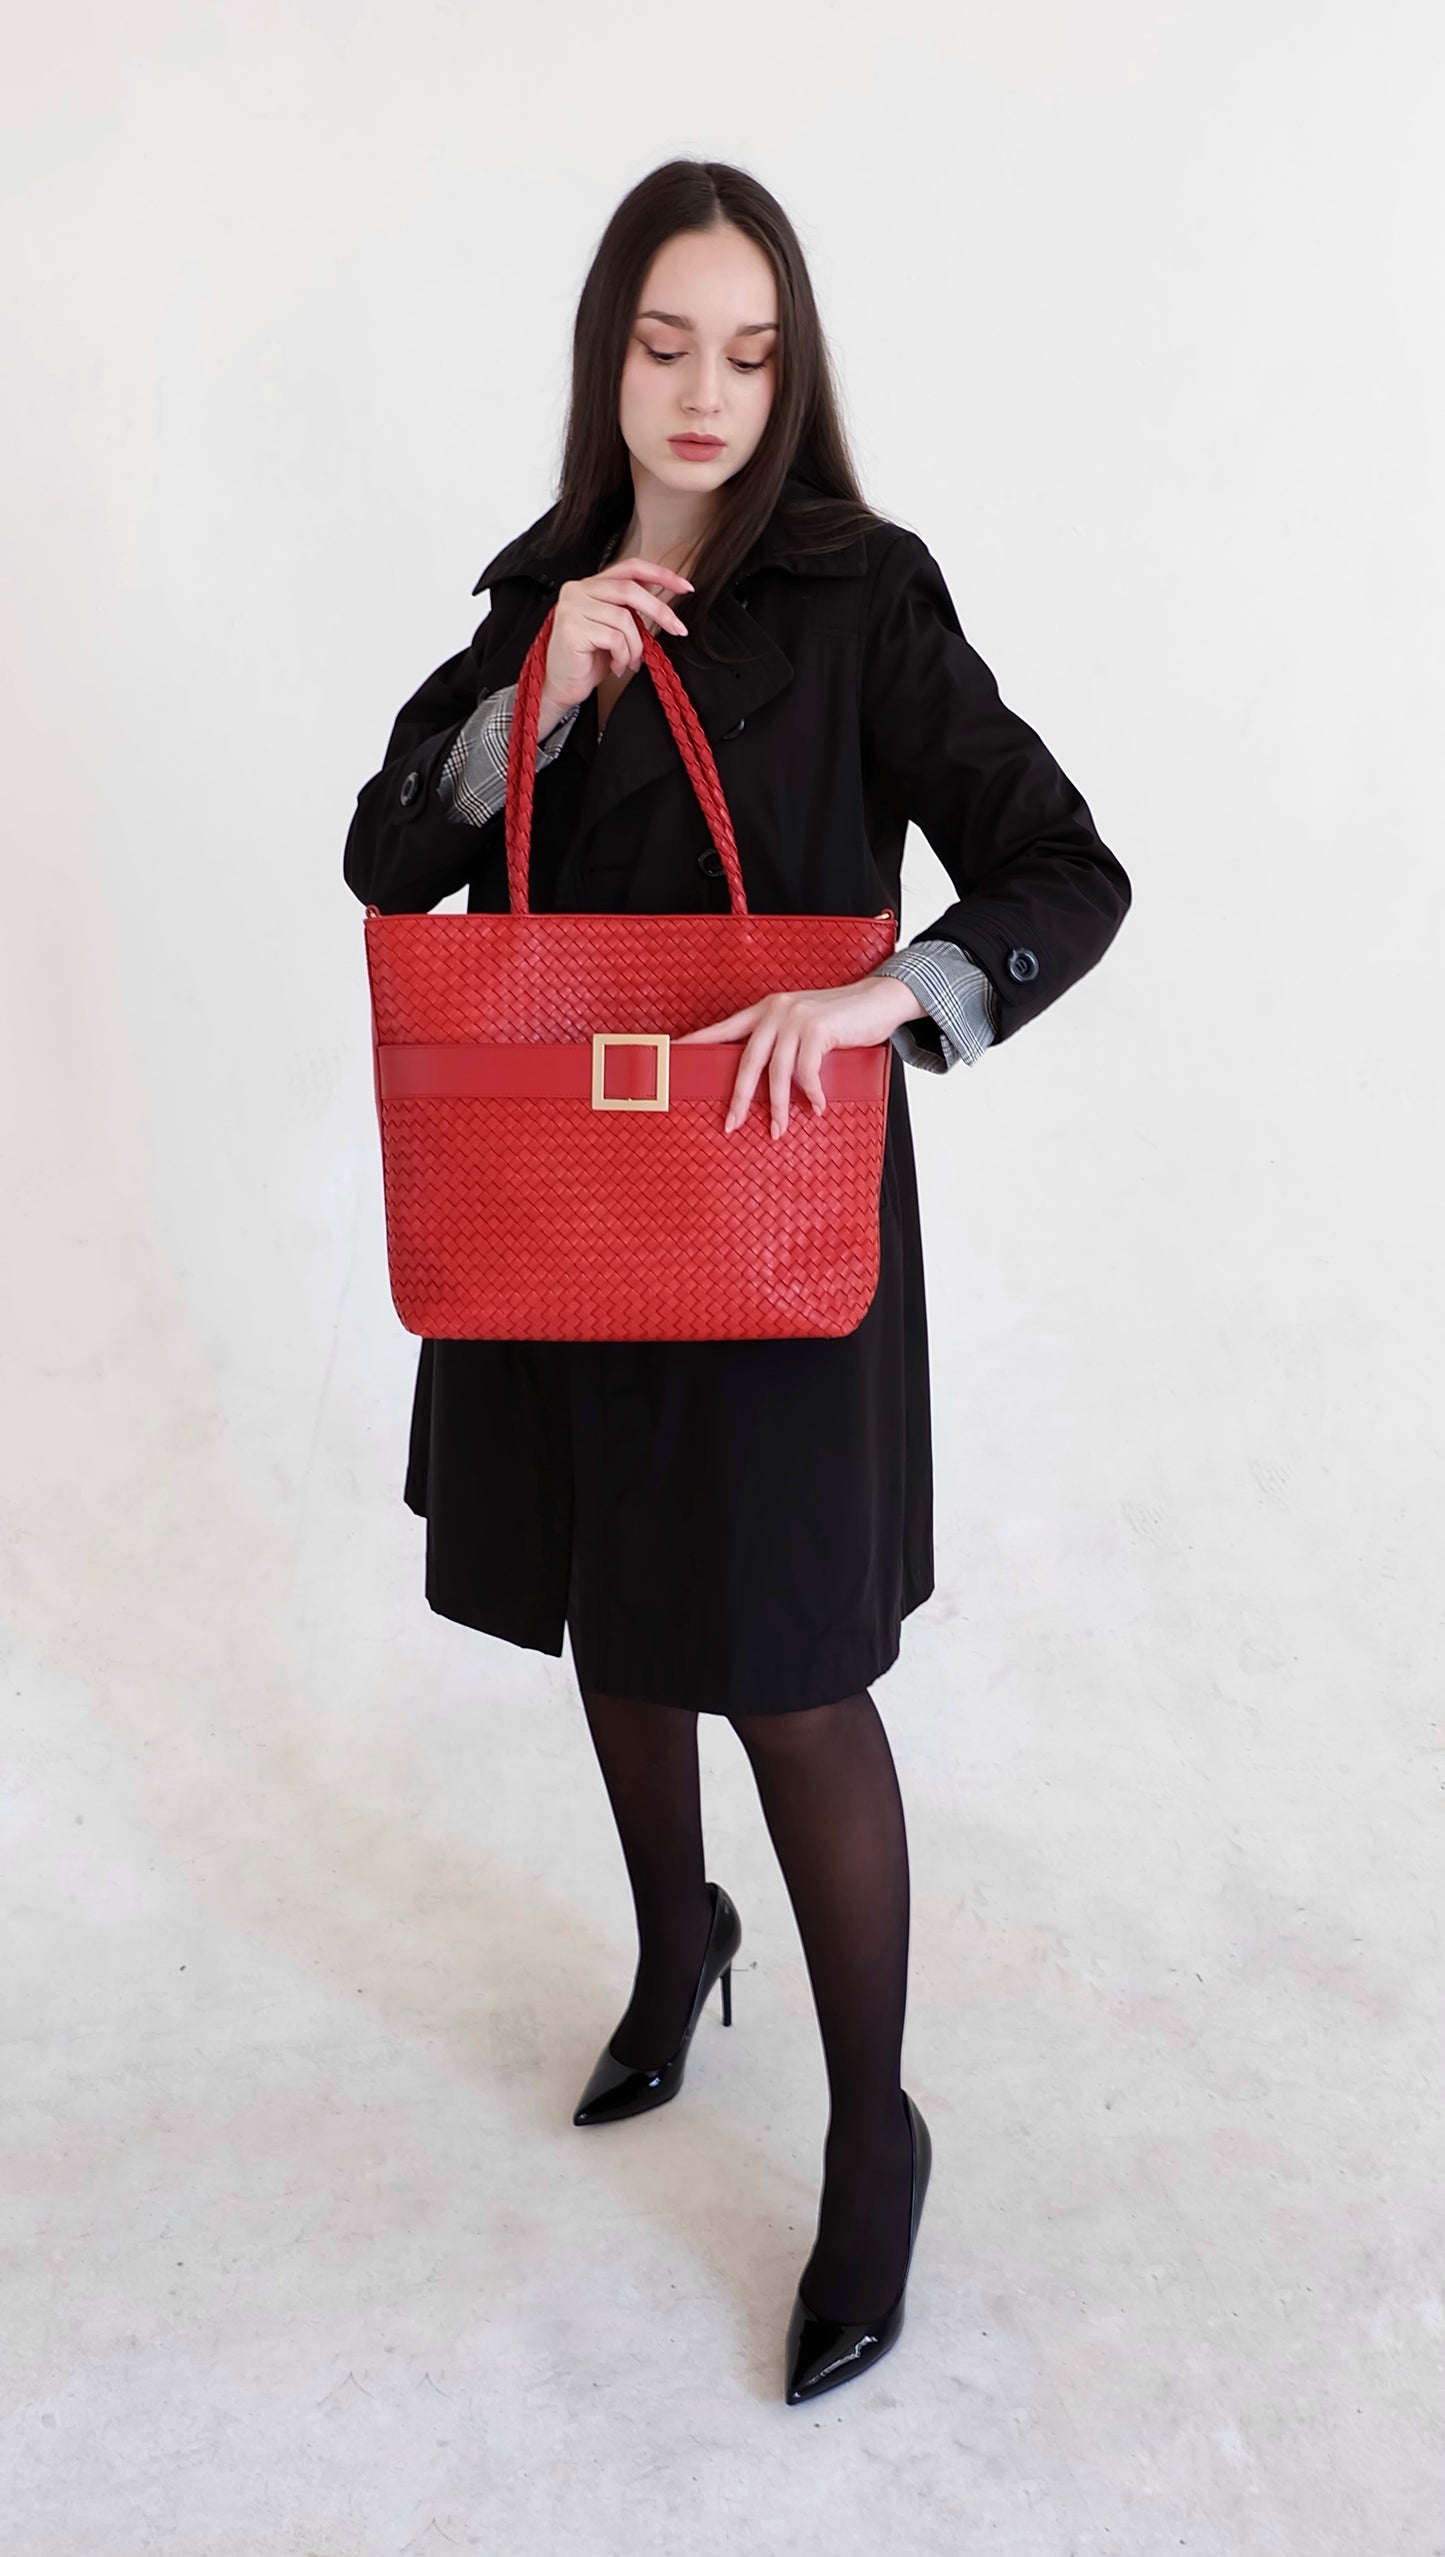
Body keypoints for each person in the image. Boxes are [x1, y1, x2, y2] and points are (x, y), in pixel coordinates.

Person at [342, 158, 1132, 2406]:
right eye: (667, 342)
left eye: (752, 348)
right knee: (615, 1608)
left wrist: (889, 996)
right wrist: (543, 692)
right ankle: (678, 1936)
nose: (706, 389)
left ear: (795, 370)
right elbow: (389, 855)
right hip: (555, 1208)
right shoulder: (541, 593)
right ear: (611, 354)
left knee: (788, 1671)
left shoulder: (862, 594)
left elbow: (1069, 867)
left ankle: (874, 2126)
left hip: (770, 1211)